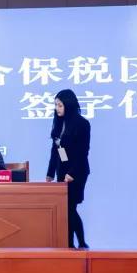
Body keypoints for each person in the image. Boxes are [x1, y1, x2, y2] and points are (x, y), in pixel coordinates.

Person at [46, 89, 90, 249]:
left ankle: (80, 242)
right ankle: (70, 244)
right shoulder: (58, 123)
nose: (57, 108)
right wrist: (50, 173)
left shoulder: (82, 124)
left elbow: (83, 152)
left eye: (60, 105)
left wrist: (72, 173)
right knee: (66, 209)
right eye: (56, 105)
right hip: (62, 170)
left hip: (77, 172)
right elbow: (55, 150)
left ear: (69, 105)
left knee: (70, 208)